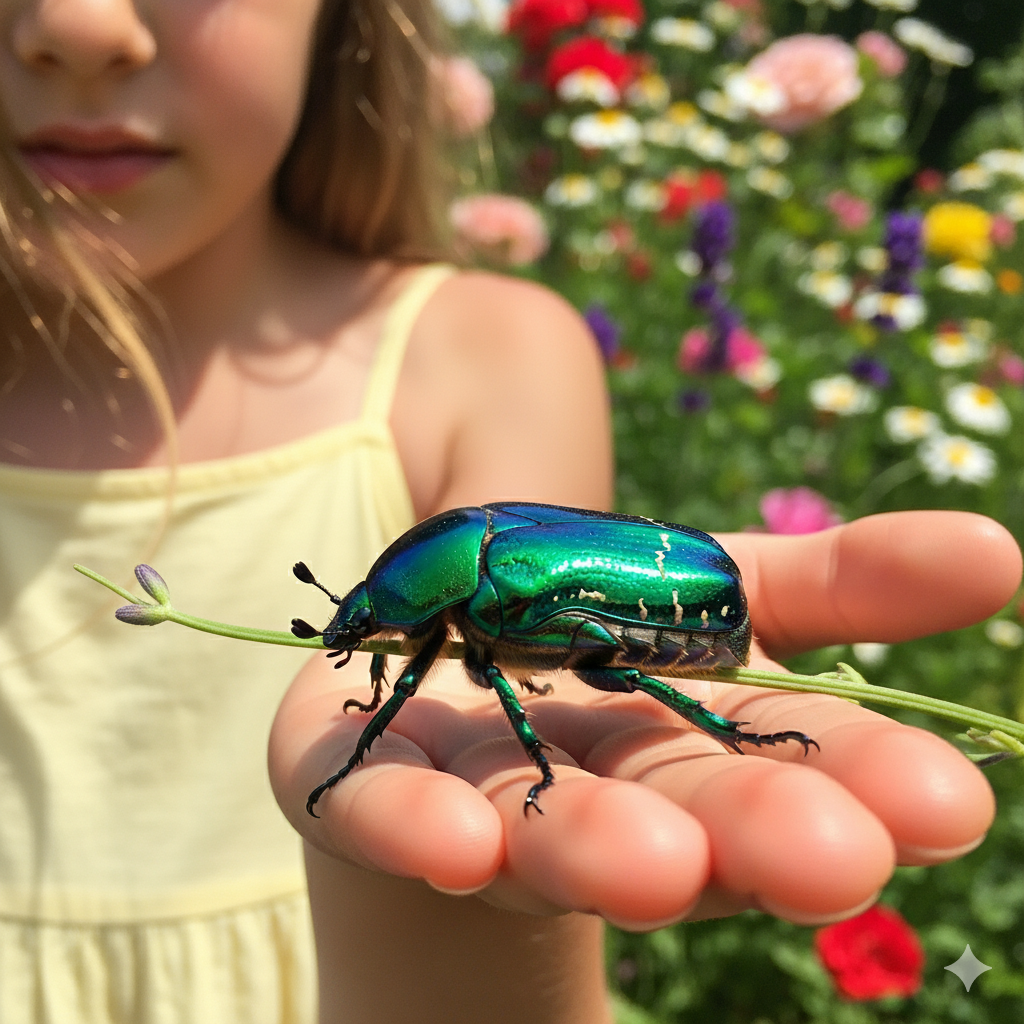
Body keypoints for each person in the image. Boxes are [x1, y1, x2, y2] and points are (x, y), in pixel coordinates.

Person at [0, 3, 1018, 1024]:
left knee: (606, 673)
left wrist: (464, 800)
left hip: (682, 610)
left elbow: (503, 702)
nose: (80, 22)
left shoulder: (489, 360)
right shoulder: (447, 567)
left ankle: (718, 731)